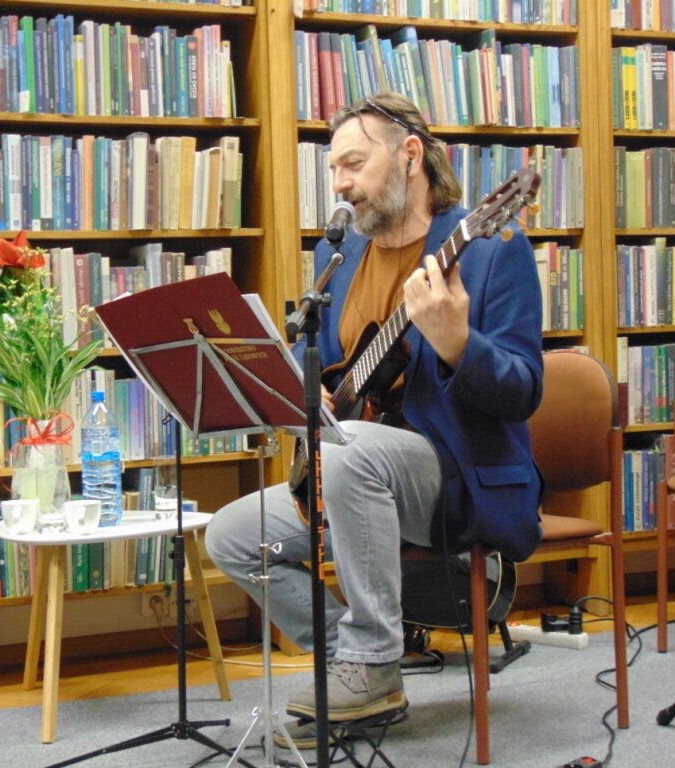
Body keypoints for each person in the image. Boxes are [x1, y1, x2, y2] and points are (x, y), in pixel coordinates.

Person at [204, 91, 544, 735]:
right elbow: (334, 368)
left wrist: (458, 344)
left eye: (354, 164)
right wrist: (305, 388)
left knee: (353, 449)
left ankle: (373, 659)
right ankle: (357, 665)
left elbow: (524, 391)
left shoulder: (491, 249)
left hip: (454, 479)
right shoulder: (341, 257)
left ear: (410, 155)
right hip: (357, 475)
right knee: (235, 536)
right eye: (334, 168)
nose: (340, 183)